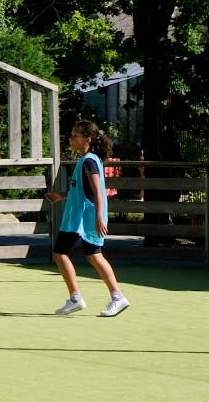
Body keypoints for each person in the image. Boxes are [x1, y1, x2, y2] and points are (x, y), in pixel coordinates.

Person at [45, 120, 130, 318]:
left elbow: (98, 191)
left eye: (76, 135)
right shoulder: (88, 160)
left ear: (87, 140)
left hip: (83, 218)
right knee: (93, 255)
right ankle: (116, 297)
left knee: (60, 253)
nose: (72, 138)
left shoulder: (89, 161)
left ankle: (77, 299)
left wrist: (99, 218)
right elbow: (82, 191)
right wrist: (62, 196)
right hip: (81, 217)